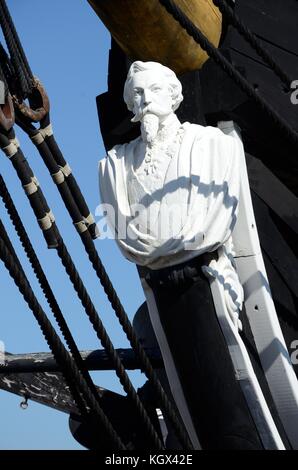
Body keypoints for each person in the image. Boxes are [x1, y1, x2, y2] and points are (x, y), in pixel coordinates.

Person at [98, 61, 263, 449]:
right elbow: (120, 234)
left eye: (153, 90)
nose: (145, 100)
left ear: (174, 96)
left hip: (208, 281)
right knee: (187, 406)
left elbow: (213, 222)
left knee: (230, 399)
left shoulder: (212, 146)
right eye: (136, 94)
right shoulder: (114, 166)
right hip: (159, 288)